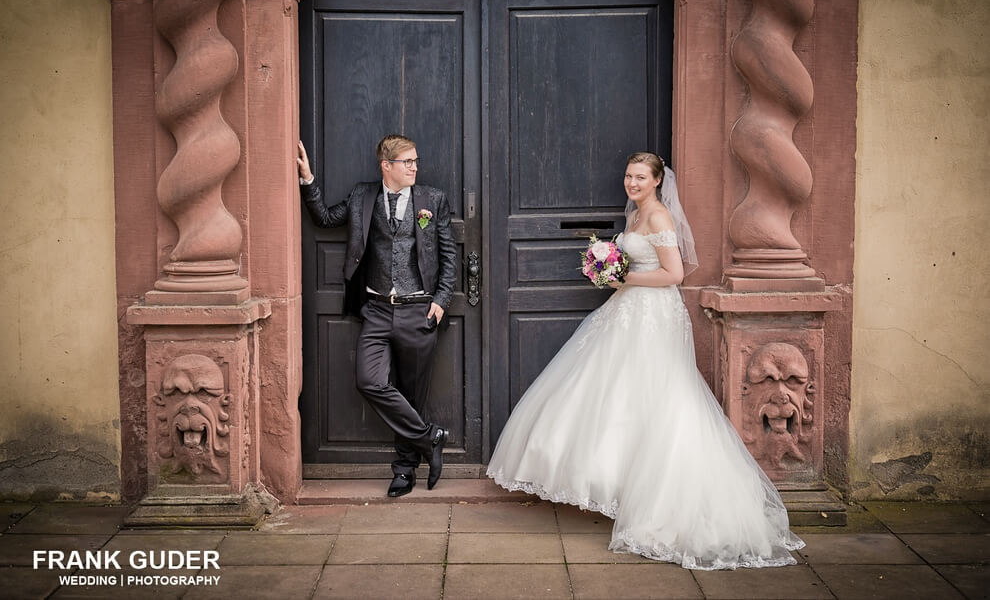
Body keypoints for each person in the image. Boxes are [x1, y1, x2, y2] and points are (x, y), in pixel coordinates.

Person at [487, 152, 805, 570]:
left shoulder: (657, 217)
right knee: (617, 395)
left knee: (658, 396)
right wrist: (613, 272)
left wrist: (622, 277)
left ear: (657, 181)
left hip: (652, 315)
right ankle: (622, 486)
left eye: (640, 177)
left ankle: (662, 499)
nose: (632, 183)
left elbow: (674, 274)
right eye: (628, 175)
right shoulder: (636, 215)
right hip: (628, 310)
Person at [296, 135, 456, 498]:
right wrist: (307, 179)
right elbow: (324, 218)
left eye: (416, 160)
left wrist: (442, 300)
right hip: (378, 310)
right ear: (387, 166)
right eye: (407, 162)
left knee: (412, 395)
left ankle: (403, 471)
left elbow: (447, 256)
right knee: (369, 381)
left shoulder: (432, 200)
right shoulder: (361, 197)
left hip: (419, 310)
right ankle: (431, 438)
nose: (414, 166)